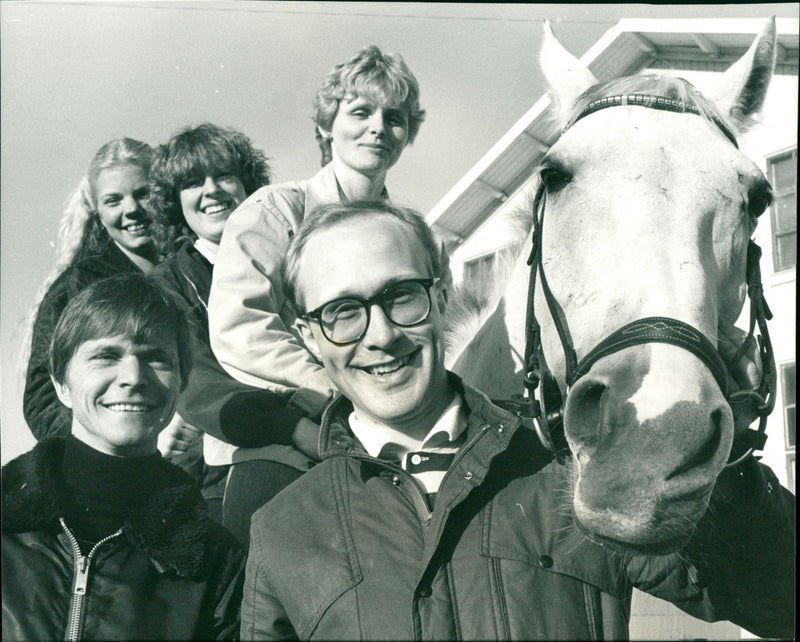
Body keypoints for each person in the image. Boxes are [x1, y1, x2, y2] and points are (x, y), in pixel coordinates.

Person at [240, 201, 795, 640]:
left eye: (401, 297)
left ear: (440, 295)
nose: (381, 335)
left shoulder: (570, 470)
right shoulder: (282, 530)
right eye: (343, 313)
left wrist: (732, 472)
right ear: (308, 337)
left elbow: (779, 604)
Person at [3, 273, 244, 641]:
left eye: (156, 358)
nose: (133, 376)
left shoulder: (216, 562)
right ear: (61, 383)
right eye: (105, 356)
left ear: (181, 381)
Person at [208, 45, 427, 426]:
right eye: (360, 112)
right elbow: (239, 327)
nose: (378, 127)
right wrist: (333, 385)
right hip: (284, 427)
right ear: (327, 125)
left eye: (394, 117)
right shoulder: (273, 213)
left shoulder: (417, 238)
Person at [149, 123, 318, 537]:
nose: (212, 191)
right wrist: (292, 427)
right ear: (175, 202)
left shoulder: (298, 251)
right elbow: (198, 382)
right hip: (234, 462)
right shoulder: (168, 284)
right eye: (192, 181)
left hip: (330, 426)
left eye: (224, 175)